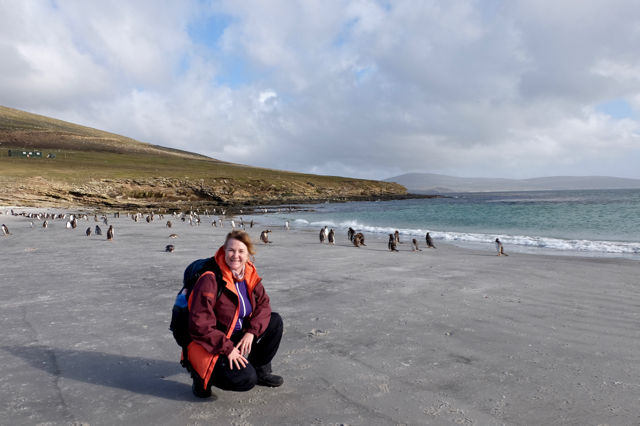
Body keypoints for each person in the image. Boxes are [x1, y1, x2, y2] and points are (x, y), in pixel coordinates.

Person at [186, 230, 284, 398]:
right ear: (224, 250)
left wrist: (251, 332)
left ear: (248, 255)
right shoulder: (210, 279)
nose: (235, 256)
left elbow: (263, 304)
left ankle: (261, 370)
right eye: (231, 250)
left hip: (235, 334)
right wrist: (228, 348)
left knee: (274, 321)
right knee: (246, 379)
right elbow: (200, 326)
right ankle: (201, 376)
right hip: (209, 342)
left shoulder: (249, 273)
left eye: (241, 251)